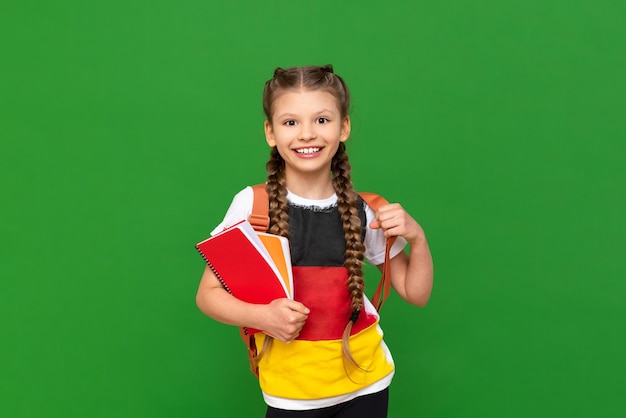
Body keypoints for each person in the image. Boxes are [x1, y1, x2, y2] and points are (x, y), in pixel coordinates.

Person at [196, 64, 433, 417]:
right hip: (290, 393)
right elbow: (207, 297)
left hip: (366, 384)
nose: (307, 134)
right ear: (270, 132)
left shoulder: (364, 210)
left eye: (322, 120)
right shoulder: (252, 206)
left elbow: (416, 293)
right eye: (291, 122)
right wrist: (263, 316)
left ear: (344, 127)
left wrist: (418, 237)